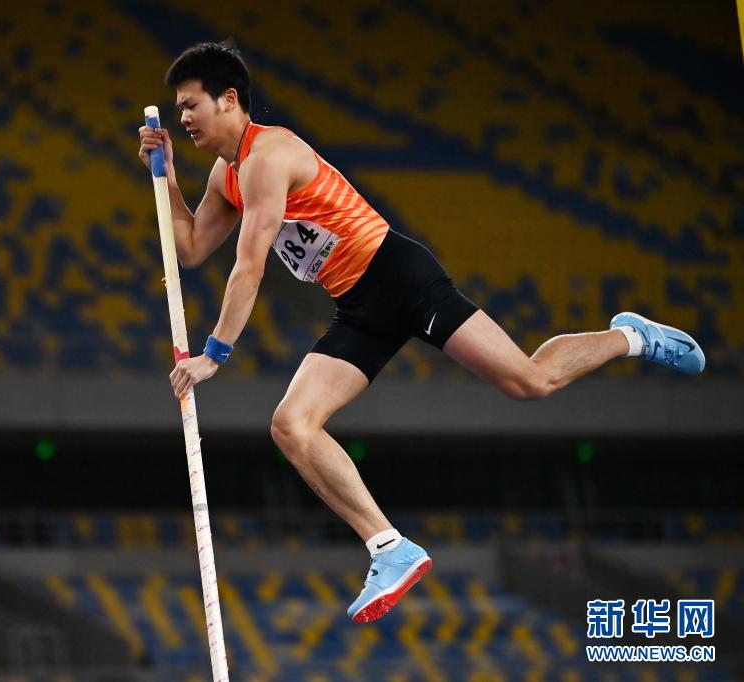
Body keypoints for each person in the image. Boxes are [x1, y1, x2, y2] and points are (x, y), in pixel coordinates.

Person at [137, 41, 705, 624]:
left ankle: (631, 337)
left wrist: (215, 354)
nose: (184, 118)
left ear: (228, 99)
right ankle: (390, 547)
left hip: (400, 278)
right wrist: (168, 177)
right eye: (179, 109)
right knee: (292, 425)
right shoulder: (227, 174)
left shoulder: (269, 155)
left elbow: (249, 265)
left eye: (191, 105)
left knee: (530, 382)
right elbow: (191, 248)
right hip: (358, 305)